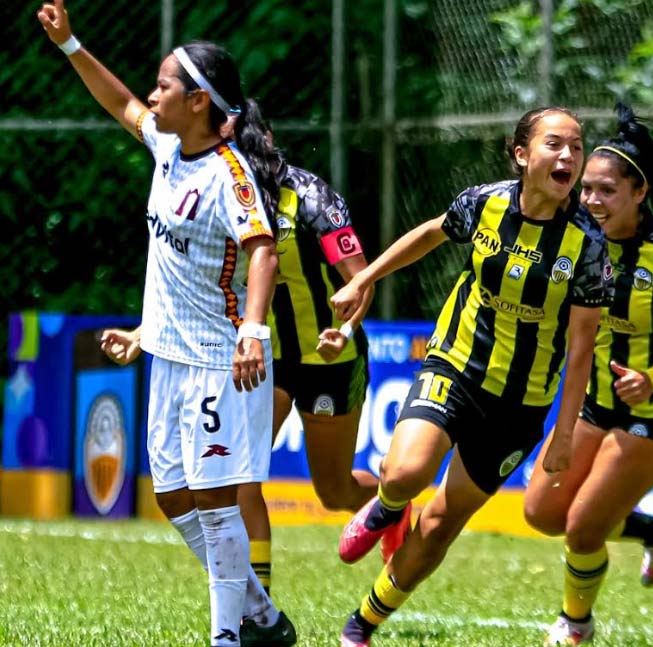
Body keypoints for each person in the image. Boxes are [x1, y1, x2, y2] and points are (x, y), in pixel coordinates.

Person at [37, 2, 294, 645]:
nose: (154, 95)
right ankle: (261, 615)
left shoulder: (230, 176)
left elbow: (262, 249)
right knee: (172, 498)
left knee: (214, 504)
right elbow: (119, 102)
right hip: (168, 358)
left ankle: (226, 636)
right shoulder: (168, 146)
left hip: (217, 361)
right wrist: (70, 44)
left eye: (165, 85)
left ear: (199, 102)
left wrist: (253, 333)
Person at [321, 107, 611, 647]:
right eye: (555, 144)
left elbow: (581, 346)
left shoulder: (589, 246)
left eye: (577, 146)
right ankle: (387, 506)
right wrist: (364, 278)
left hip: (520, 406)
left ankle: (361, 624)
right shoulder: (485, 203)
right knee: (405, 473)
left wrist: (565, 432)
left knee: (439, 526)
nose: (569, 156)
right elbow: (432, 233)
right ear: (522, 155)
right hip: (456, 365)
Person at [100, 104, 386, 604]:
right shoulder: (217, 194)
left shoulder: (312, 196)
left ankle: (394, 506)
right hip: (259, 358)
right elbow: (198, 288)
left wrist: (345, 328)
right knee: (239, 479)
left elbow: (359, 279)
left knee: (334, 491)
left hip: (329, 360)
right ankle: (258, 609)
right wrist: (142, 333)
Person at [521, 103, 653, 646]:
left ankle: (576, 624)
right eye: (586, 188)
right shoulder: (575, 238)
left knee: (583, 527)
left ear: (638, 193)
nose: (590, 200)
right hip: (597, 403)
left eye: (605, 190)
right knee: (542, 513)